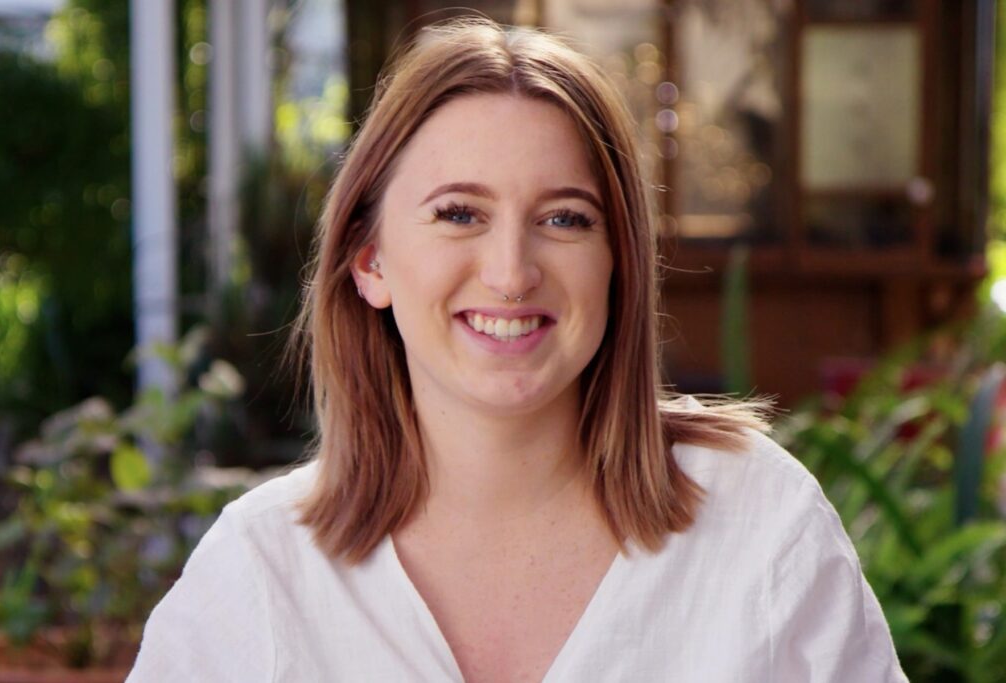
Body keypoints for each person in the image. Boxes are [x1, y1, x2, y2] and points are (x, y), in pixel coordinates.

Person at [127, 18, 907, 682]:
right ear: (370, 261)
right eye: (460, 212)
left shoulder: (760, 526)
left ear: (618, 263)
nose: (510, 273)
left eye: (565, 219)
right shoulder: (259, 571)